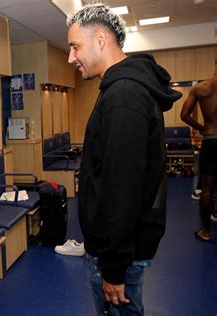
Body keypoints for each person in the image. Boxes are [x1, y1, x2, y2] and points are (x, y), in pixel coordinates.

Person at [66, 4, 182, 315]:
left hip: (117, 254)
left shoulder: (123, 96)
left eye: (75, 46)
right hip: (122, 247)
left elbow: (123, 188)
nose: (71, 57)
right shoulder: (122, 90)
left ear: (101, 40)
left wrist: (113, 268)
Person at [180, 75, 217, 241]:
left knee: (207, 189)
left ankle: (206, 231)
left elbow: (185, 115)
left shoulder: (202, 88)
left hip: (210, 140)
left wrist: (203, 128)